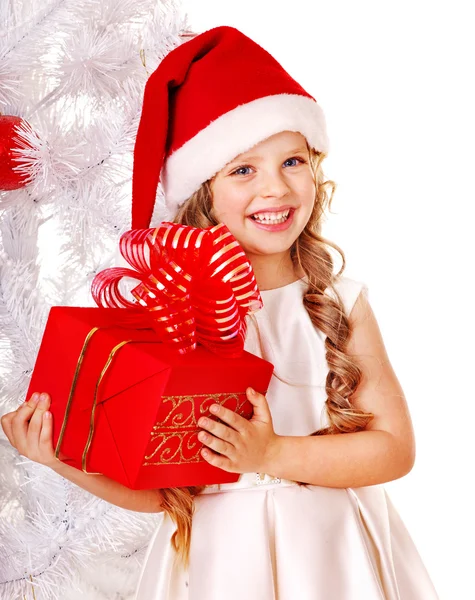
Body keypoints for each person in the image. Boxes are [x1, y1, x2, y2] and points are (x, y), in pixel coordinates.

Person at [1, 26, 440, 600]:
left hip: (333, 560)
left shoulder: (337, 302)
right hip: (219, 569)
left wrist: (274, 453)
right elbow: (167, 494)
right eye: (242, 170)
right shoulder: (175, 314)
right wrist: (58, 458)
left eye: (292, 160)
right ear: (203, 190)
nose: (276, 188)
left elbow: (394, 448)